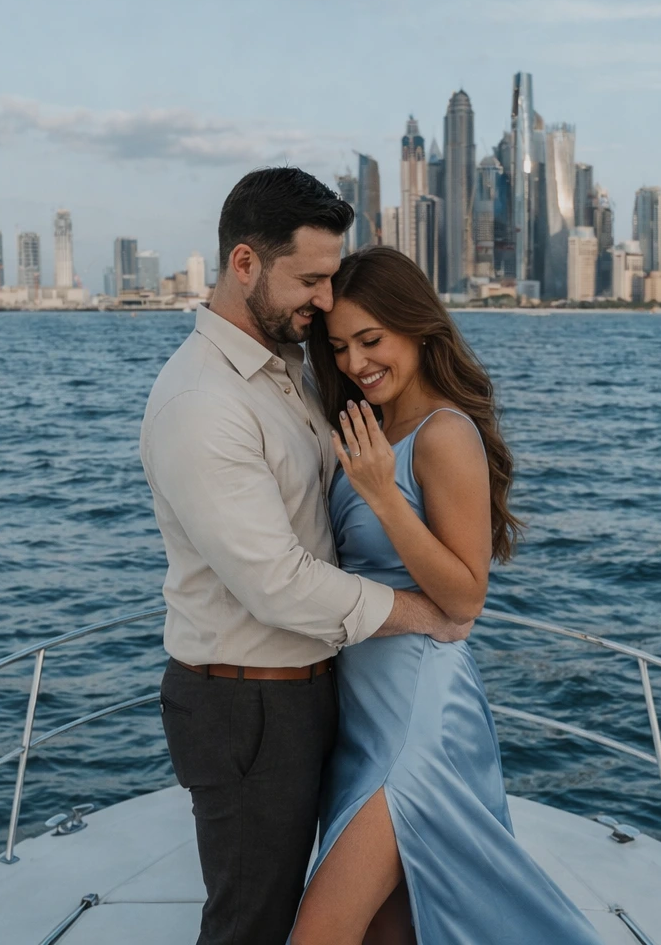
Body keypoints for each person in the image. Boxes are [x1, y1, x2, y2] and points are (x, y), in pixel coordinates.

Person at [139, 169, 470, 945]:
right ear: (245, 264)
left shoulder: (285, 373)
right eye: (311, 280)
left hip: (320, 691)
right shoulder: (204, 404)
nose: (324, 302)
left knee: (366, 909)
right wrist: (425, 612)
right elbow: (278, 585)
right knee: (253, 924)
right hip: (249, 707)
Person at [292, 246, 603, 945]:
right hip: (361, 714)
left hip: (418, 716)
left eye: (371, 340)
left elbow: (466, 598)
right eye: (338, 346)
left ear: (418, 327)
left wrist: (381, 493)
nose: (354, 362)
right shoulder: (368, 425)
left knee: (322, 933)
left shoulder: (444, 434)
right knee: (391, 931)